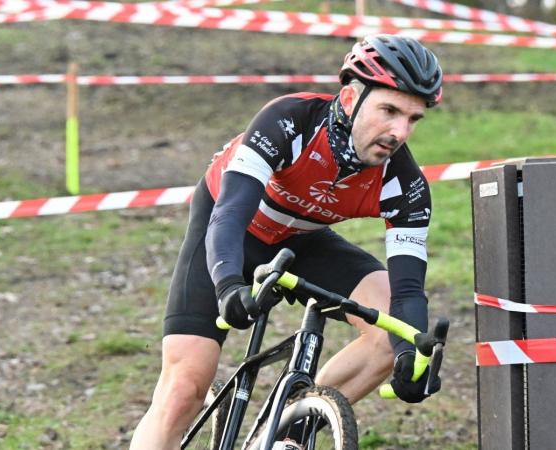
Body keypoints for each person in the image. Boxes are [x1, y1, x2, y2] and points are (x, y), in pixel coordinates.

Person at [130, 34, 444, 450]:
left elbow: (407, 291)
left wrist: (412, 357)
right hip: (232, 229)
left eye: (412, 118)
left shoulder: (405, 186)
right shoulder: (289, 121)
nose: (399, 131)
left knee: (390, 332)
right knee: (182, 390)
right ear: (350, 99)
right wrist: (227, 285)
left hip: (303, 239)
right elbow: (229, 214)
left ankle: (286, 432)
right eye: (389, 110)